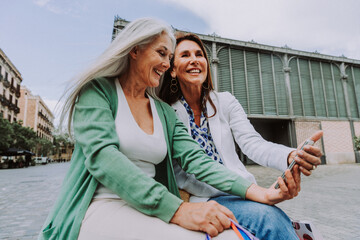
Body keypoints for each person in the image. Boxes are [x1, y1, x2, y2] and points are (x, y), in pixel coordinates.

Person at [39, 18, 301, 240]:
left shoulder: (162, 112)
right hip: (103, 206)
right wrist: (178, 210)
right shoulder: (97, 91)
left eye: (168, 57)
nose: (166, 63)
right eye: (162, 54)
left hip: (153, 206)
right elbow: (103, 158)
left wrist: (262, 193)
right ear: (135, 50)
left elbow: (197, 160)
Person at [158, 32, 323, 240]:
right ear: (172, 70)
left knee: (274, 218)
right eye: (185, 55)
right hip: (202, 198)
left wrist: (290, 156)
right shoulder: (167, 112)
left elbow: (252, 143)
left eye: (199, 54)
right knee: (268, 220)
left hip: (241, 191)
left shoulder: (225, 101)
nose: (194, 60)